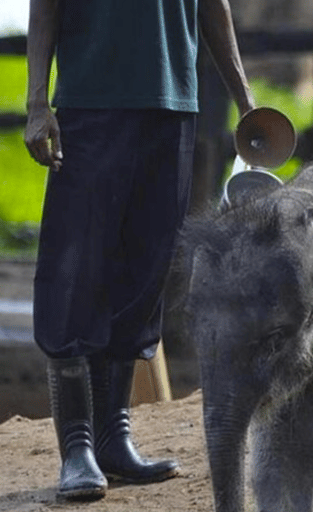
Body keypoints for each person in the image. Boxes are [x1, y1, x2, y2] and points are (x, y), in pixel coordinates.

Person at [24, 0, 255, 501]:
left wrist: (246, 100)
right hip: (90, 104)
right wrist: (37, 103)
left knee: (144, 271)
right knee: (75, 267)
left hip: (172, 108)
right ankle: (77, 447)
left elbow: (214, 6)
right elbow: (44, 7)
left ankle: (113, 439)